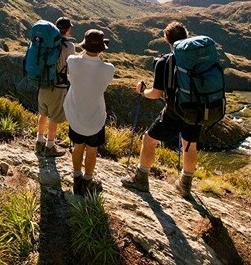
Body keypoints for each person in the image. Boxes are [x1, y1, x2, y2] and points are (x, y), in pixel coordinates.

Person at [121, 21, 198, 199]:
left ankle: (141, 179)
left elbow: (156, 94)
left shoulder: (164, 62)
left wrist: (142, 91)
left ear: (166, 39)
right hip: (196, 109)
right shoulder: (195, 59)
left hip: (175, 110)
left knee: (148, 140)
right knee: (190, 145)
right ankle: (185, 186)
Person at [64, 29, 115, 196]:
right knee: (92, 149)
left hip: (76, 115)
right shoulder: (108, 69)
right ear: (101, 49)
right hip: (96, 118)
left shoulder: (73, 61)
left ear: (84, 47)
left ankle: (77, 176)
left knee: (78, 146)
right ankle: (87, 179)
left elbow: (72, 69)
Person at [35, 17, 76, 157]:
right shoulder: (69, 46)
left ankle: (39, 141)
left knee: (43, 113)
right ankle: (50, 146)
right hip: (58, 86)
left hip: (43, 82)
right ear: (68, 29)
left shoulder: (46, 41)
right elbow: (71, 67)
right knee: (54, 117)